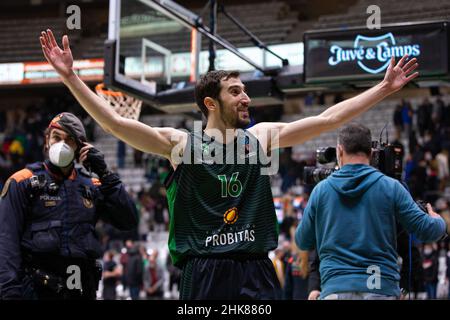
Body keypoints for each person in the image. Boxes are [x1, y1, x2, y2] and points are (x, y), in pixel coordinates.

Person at [40, 29, 419, 299]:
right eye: (235, 91)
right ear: (210, 103)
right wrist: (71, 77)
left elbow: (329, 120)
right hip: (204, 272)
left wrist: (383, 88)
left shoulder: (260, 137)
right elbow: (115, 123)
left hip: (256, 268)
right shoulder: (181, 144)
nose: (246, 98)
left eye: (246, 91)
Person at [295, 123, 447, 300]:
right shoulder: (392, 188)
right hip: (380, 288)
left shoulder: (321, 191)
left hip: (335, 289)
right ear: (372, 153)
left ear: (339, 151)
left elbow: (302, 241)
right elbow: (429, 230)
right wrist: (438, 221)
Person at [0, 112, 138, 300]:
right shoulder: (22, 182)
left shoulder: (92, 186)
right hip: (36, 292)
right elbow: (6, 243)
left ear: (80, 147)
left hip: (82, 292)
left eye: (70, 139)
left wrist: (105, 173)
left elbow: (129, 220)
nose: (62, 144)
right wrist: (9, 294)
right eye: (57, 137)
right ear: (47, 140)